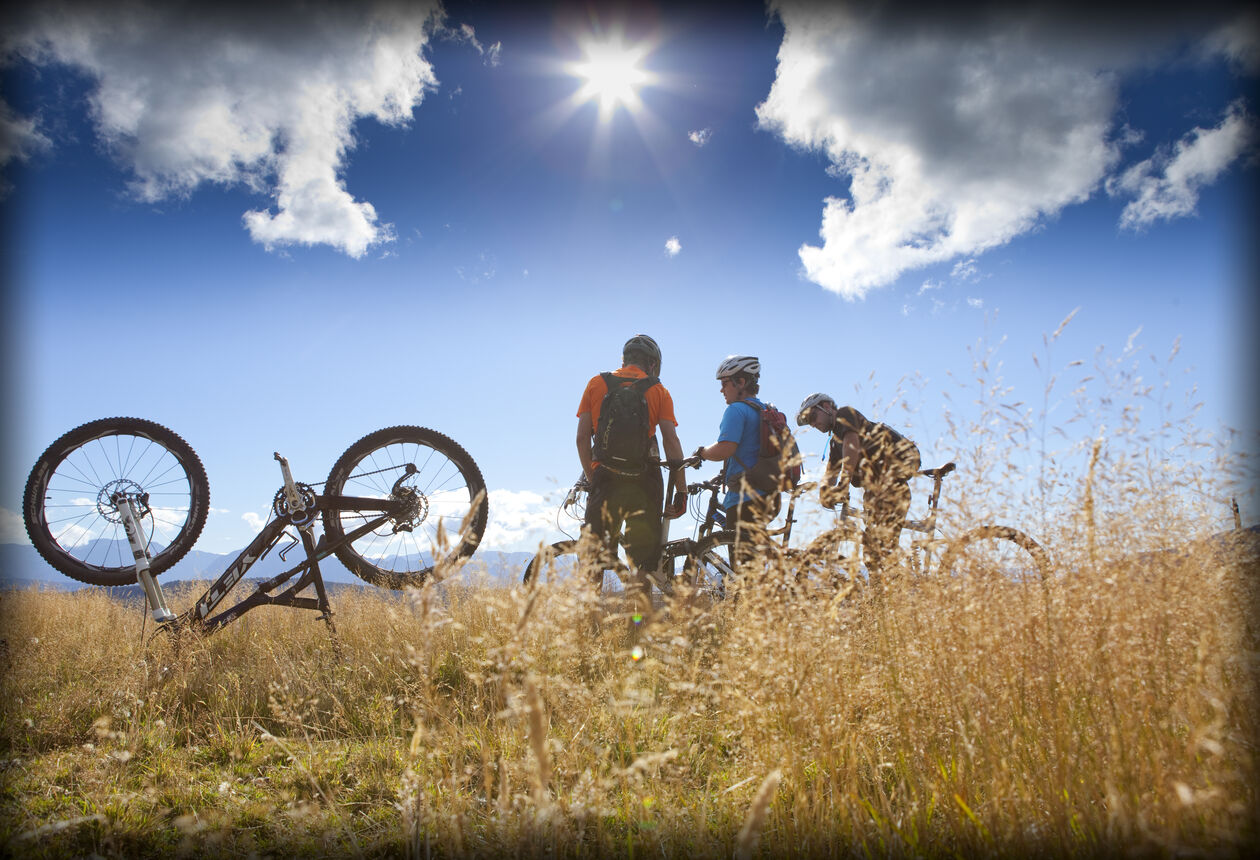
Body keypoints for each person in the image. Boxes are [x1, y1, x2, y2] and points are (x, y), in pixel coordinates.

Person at [576, 334, 687, 585]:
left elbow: (582, 438)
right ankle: (638, 622)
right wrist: (681, 490)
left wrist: (594, 480)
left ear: (624, 360)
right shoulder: (659, 390)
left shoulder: (596, 384)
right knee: (641, 563)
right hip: (644, 483)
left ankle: (589, 620)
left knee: (595, 558)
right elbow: (671, 442)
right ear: (653, 365)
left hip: (605, 478)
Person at [796, 393, 921, 577]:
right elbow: (831, 471)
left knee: (881, 547)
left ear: (827, 407)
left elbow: (851, 445)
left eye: (812, 417)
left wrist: (844, 483)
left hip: (894, 475)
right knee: (873, 550)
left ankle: (894, 588)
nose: (813, 424)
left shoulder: (845, 414)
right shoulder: (834, 444)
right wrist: (825, 492)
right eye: (808, 422)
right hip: (876, 488)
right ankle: (886, 592)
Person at [693, 355, 780, 567]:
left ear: (741, 382)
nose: (722, 390)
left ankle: (750, 599)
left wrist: (702, 453)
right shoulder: (764, 410)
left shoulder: (736, 410)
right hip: (768, 496)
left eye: (725, 384)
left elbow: (725, 449)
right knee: (753, 564)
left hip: (743, 501)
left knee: (743, 572)